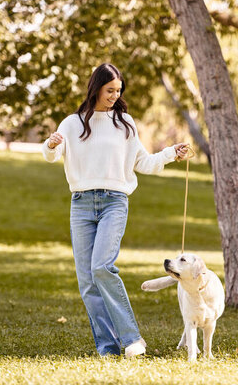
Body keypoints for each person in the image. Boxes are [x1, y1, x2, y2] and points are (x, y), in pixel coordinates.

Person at [42, 63, 189, 357]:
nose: (114, 95)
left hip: (114, 202)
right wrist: (50, 143)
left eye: (118, 91)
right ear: (96, 88)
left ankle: (132, 339)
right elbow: (51, 154)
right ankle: (108, 349)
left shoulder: (125, 123)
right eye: (110, 90)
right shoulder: (72, 123)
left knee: (101, 267)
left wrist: (172, 153)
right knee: (87, 282)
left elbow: (143, 162)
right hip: (81, 204)